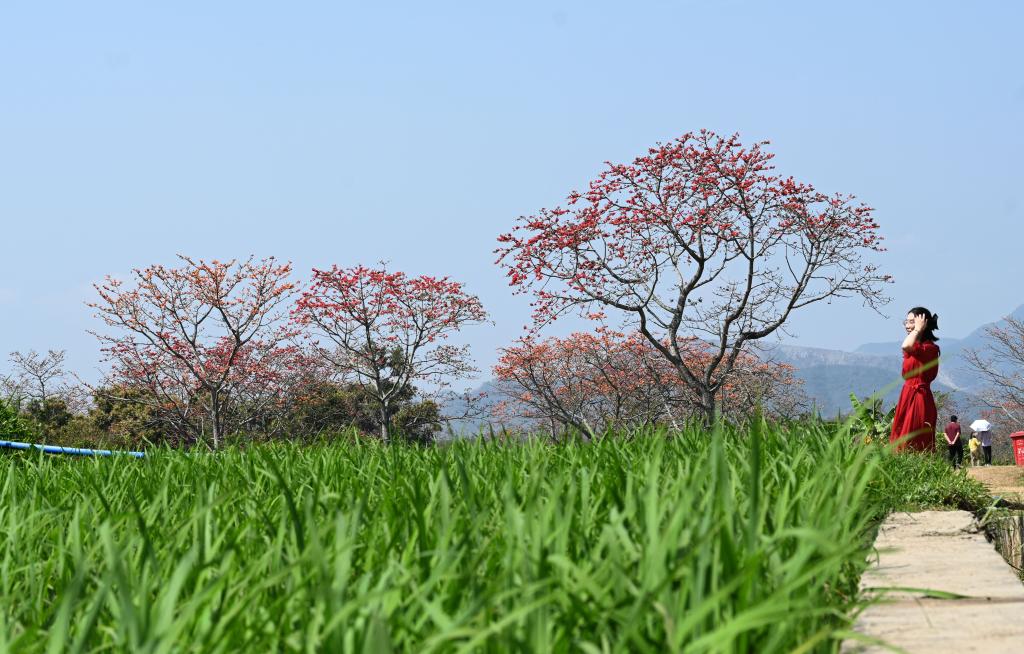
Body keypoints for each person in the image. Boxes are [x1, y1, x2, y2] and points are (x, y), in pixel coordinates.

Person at [890, 307, 940, 452]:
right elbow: (907, 346)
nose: (907, 325)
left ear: (922, 323)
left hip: (919, 397)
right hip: (907, 394)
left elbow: (906, 345)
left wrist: (917, 330)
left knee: (913, 440)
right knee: (900, 437)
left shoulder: (929, 348)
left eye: (912, 322)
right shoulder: (915, 347)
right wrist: (916, 331)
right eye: (906, 321)